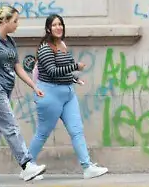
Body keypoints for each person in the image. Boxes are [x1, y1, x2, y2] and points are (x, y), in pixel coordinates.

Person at [28, 15, 108, 179]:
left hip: (68, 94)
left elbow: (63, 69)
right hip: (49, 94)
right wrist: (76, 67)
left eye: (60, 24)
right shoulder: (45, 48)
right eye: (54, 25)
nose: (58, 27)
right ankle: (28, 165)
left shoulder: (62, 45)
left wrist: (74, 78)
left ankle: (87, 167)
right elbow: (52, 71)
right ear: (48, 29)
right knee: (43, 133)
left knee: (76, 130)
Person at [0, 5, 46, 183]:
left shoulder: (10, 42)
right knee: (11, 126)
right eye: (15, 21)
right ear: (5, 21)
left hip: (5, 90)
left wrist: (33, 86)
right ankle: (26, 164)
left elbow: (18, 67)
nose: (17, 24)